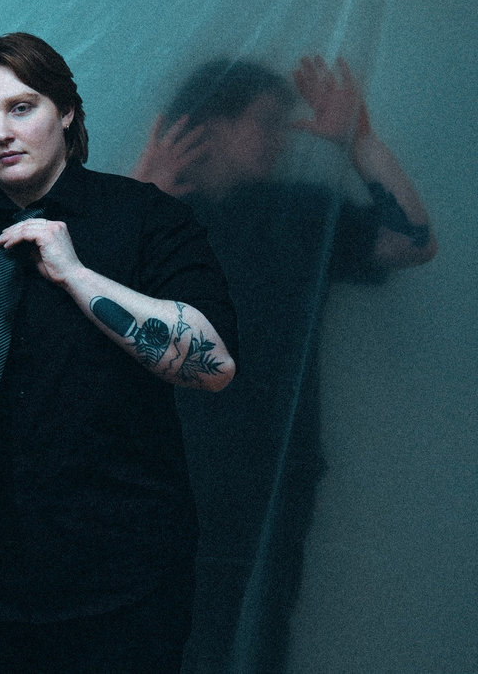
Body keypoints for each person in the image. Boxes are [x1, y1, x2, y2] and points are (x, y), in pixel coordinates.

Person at [0, 32, 239, 673]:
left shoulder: (145, 218)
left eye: (22, 108)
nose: (3, 133)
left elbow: (215, 365)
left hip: (126, 582)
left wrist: (77, 276)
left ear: (66, 111)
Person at [129, 54, 436, 674]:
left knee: (260, 632)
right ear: (209, 127)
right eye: (265, 121)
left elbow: (412, 242)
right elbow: (76, 315)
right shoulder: (158, 220)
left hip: (273, 469)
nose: (281, 137)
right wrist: (136, 198)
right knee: (161, 630)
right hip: (164, 470)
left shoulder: (298, 215)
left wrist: (361, 143)